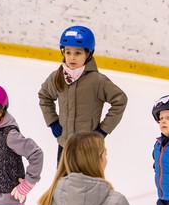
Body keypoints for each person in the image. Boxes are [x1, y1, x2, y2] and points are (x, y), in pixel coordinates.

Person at [38, 25, 128, 162]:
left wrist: (103, 130)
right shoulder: (58, 76)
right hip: (64, 145)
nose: (72, 57)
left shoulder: (97, 81)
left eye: (78, 53)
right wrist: (52, 121)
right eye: (68, 52)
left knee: (87, 182)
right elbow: (44, 96)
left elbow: (120, 100)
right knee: (63, 182)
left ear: (88, 53)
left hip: (88, 147)